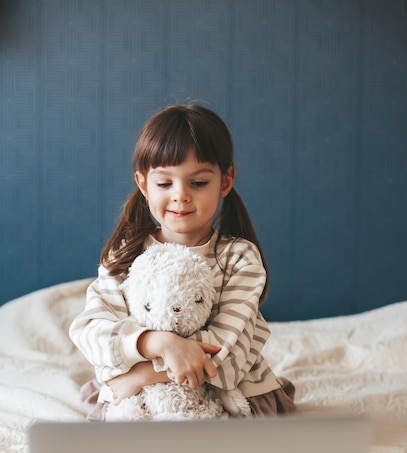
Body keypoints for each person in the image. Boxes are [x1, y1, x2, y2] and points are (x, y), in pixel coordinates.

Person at [69, 103, 295, 419]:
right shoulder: (126, 253)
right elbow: (91, 332)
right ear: (143, 183)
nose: (180, 196)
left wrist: (143, 374)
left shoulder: (238, 258)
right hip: (137, 401)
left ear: (225, 181)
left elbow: (230, 354)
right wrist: (157, 343)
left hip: (224, 397)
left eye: (198, 183)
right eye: (165, 183)